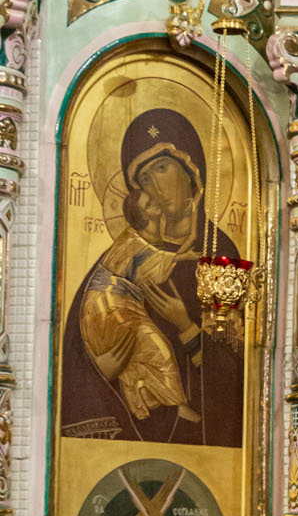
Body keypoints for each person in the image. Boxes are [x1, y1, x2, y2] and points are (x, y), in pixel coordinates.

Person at [60, 108, 244, 446]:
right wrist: (102, 368)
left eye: (162, 168)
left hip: (204, 439)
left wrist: (185, 325)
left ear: (192, 171)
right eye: (144, 179)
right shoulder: (119, 259)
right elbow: (77, 353)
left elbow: (235, 367)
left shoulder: (221, 257)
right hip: (131, 432)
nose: (156, 186)